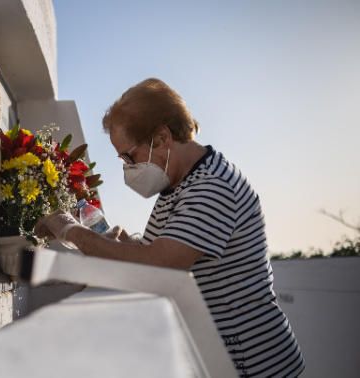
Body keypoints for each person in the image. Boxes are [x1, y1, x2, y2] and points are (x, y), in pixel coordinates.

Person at [34, 78, 305, 377]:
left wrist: (70, 230)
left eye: (129, 155)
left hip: (254, 365)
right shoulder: (179, 184)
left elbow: (159, 266)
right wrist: (130, 245)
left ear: (162, 138)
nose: (126, 167)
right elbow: (166, 253)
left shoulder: (212, 187)